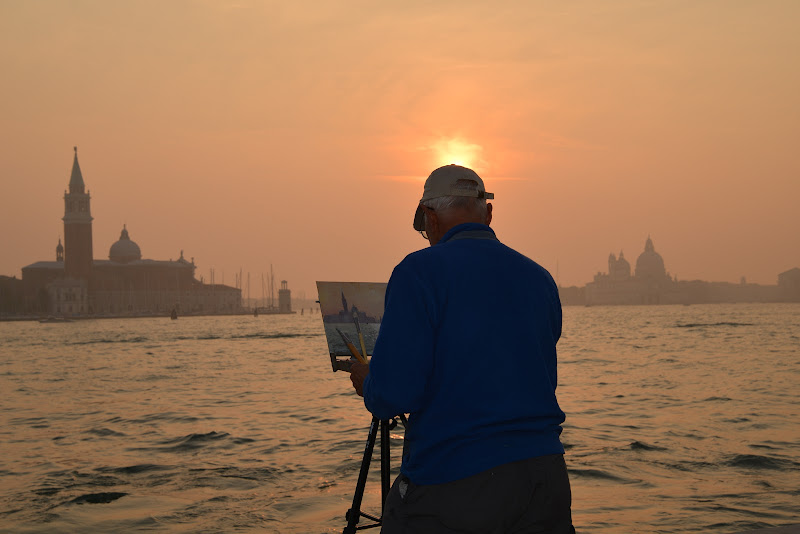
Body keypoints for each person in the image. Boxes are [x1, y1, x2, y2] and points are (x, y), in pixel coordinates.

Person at [349, 164, 574, 533]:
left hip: (456, 478)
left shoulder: (418, 272)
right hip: (544, 474)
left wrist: (368, 381)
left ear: (430, 218)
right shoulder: (539, 277)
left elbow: (392, 395)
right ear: (488, 213)